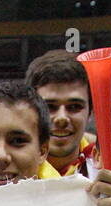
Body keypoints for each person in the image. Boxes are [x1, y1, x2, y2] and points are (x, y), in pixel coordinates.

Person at [25, 49, 97, 178]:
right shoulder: (2, 168)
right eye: (49, 107)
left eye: (75, 107)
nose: (62, 118)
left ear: (90, 113)